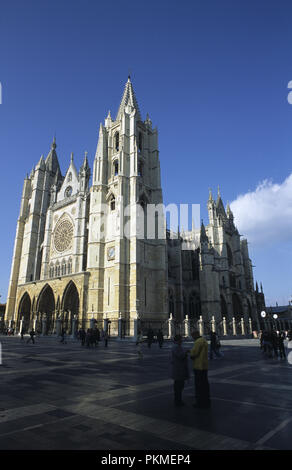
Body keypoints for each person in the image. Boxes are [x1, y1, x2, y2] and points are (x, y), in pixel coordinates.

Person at [190, 330, 211, 409]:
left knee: (199, 385)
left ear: (195, 335)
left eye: (192, 336)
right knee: (205, 384)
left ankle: (200, 402)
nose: (192, 338)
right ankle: (207, 400)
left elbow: (194, 353)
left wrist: (190, 353)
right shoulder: (204, 340)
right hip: (205, 365)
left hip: (198, 366)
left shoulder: (197, 342)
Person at [170, 335, 189, 406]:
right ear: (178, 340)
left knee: (179, 385)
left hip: (179, 368)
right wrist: (186, 352)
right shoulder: (175, 347)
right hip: (178, 368)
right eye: (181, 339)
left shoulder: (177, 346)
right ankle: (178, 400)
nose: (182, 341)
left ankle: (178, 399)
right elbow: (180, 356)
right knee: (179, 385)